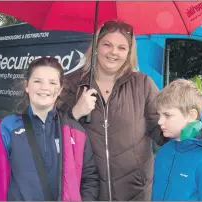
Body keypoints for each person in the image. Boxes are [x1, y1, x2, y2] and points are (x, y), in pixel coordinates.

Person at [58, 20, 166, 201]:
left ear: (129, 52)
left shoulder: (143, 84)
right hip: (87, 191)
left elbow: (161, 131)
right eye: (107, 44)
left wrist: (187, 126)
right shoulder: (72, 84)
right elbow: (48, 133)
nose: (113, 52)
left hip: (134, 193)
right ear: (96, 46)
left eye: (122, 48)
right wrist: (74, 113)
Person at [0, 57, 99, 201]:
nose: (44, 88)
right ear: (27, 86)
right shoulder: (7, 128)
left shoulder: (76, 132)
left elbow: (89, 179)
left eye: (52, 82)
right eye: (37, 81)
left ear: (59, 90)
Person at [151, 79, 202, 201]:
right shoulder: (165, 151)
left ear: (191, 115)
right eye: (159, 115)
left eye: (167, 115)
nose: (160, 121)